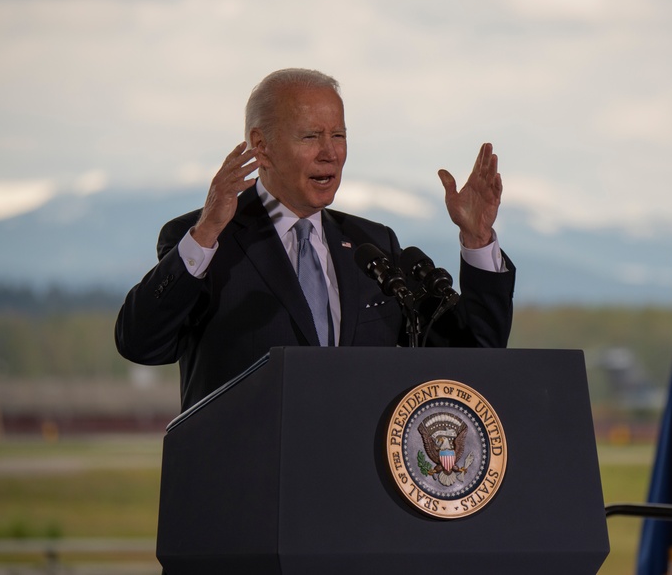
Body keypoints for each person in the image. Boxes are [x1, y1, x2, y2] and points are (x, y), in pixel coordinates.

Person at [115, 68, 515, 411]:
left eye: (338, 135)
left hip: (355, 484)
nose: (330, 153)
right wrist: (204, 235)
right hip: (247, 487)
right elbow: (142, 344)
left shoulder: (372, 246)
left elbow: (474, 355)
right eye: (310, 137)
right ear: (262, 148)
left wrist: (477, 240)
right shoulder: (207, 242)